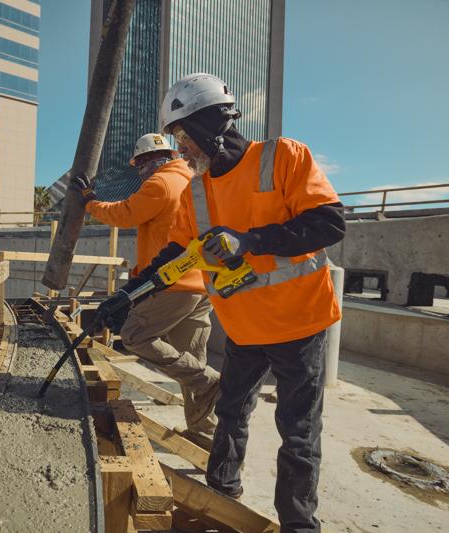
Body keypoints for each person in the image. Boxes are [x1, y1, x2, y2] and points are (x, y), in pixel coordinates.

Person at [99, 73, 345, 533]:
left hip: (300, 323)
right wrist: (126, 296)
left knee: (297, 432)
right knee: (230, 411)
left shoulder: (283, 156)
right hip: (244, 328)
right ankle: (220, 494)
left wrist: (249, 240)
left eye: (183, 137)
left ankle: (298, 524)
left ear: (211, 123)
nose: (183, 149)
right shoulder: (197, 190)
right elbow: (175, 254)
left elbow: (329, 223)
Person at [70, 133, 220, 449]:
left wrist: (89, 202)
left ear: (152, 161)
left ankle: (211, 381)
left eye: (140, 166)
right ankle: (204, 433)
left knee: (135, 334)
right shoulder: (193, 181)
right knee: (190, 359)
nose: (139, 173)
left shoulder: (161, 183)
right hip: (201, 285)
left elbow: (124, 213)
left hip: (173, 282)